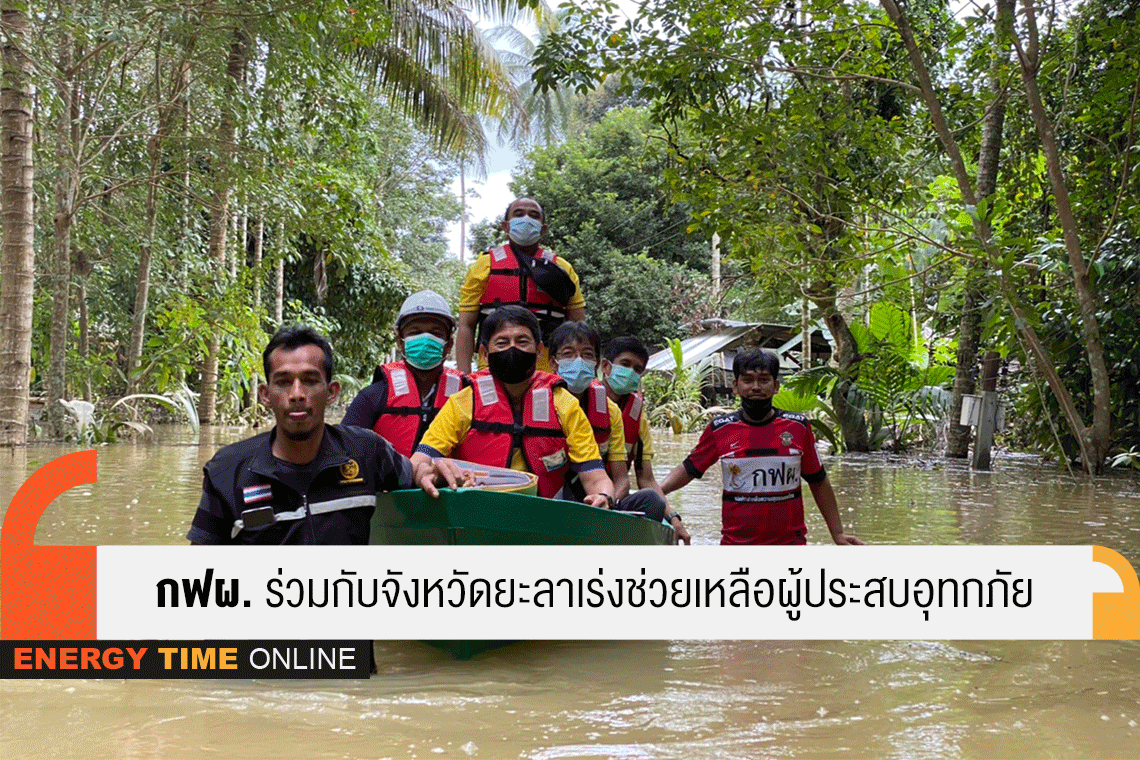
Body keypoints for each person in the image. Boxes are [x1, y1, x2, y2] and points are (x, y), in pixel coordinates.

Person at [188, 325, 454, 546]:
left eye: (310, 380)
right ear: (266, 395)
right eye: (283, 382)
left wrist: (432, 472)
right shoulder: (228, 470)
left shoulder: (365, 451)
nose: (297, 394)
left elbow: (414, 472)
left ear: (331, 392)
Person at [412, 305, 614, 508]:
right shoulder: (463, 402)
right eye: (502, 342)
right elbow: (419, 461)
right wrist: (430, 470)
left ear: (538, 352)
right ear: (484, 353)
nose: (512, 349)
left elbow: (597, 478)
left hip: (543, 518)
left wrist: (603, 497)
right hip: (475, 514)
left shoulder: (563, 403)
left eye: (522, 341)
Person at [659, 348, 864, 546]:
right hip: (736, 546)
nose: (755, 387)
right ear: (735, 386)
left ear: (776, 386)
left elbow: (818, 481)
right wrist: (654, 493)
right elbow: (688, 469)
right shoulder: (720, 429)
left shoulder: (798, 427)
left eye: (763, 380)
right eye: (747, 380)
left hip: (790, 546)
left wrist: (838, 534)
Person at [548, 322, 690, 544]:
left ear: (594, 363)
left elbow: (627, 479)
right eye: (569, 354)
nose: (578, 362)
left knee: (652, 500)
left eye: (586, 355)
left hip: (599, 497)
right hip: (553, 498)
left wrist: (605, 500)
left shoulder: (613, 412)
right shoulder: (540, 402)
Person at [455, 197, 586, 374]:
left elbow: (579, 326)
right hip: (492, 369)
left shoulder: (563, 269)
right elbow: (466, 326)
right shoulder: (483, 266)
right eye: (518, 214)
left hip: (546, 372)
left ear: (543, 229)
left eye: (534, 215)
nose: (526, 218)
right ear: (505, 226)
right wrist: (464, 376)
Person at [341, 290, 467, 457]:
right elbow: (343, 450)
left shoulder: (465, 394)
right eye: (415, 333)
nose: (426, 339)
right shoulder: (373, 397)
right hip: (391, 482)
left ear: (449, 345)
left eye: (436, 333)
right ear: (400, 343)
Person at [601, 336, 690, 543]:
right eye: (625, 364)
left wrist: (674, 519)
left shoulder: (637, 417)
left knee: (652, 501)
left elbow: (646, 479)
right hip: (579, 495)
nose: (631, 372)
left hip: (614, 500)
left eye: (637, 369)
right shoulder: (582, 401)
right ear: (606, 366)